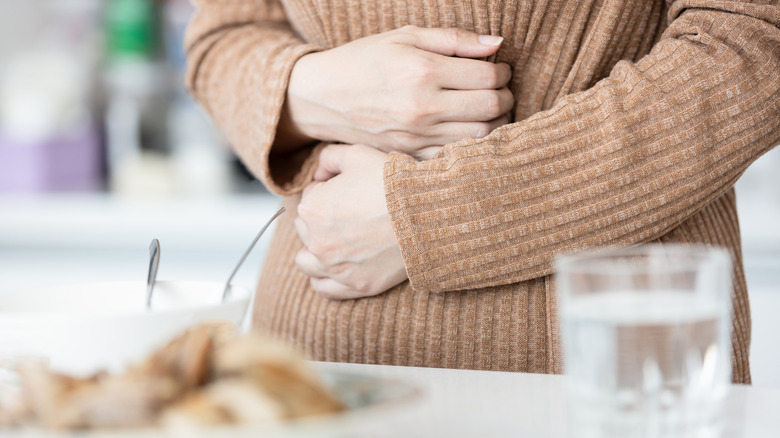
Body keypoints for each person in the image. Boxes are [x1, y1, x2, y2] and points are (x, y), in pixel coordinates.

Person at [185, 0, 780, 384]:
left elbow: (753, 43)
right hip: (308, 365)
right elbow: (224, 35)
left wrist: (432, 215)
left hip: (607, 370)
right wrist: (306, 87)